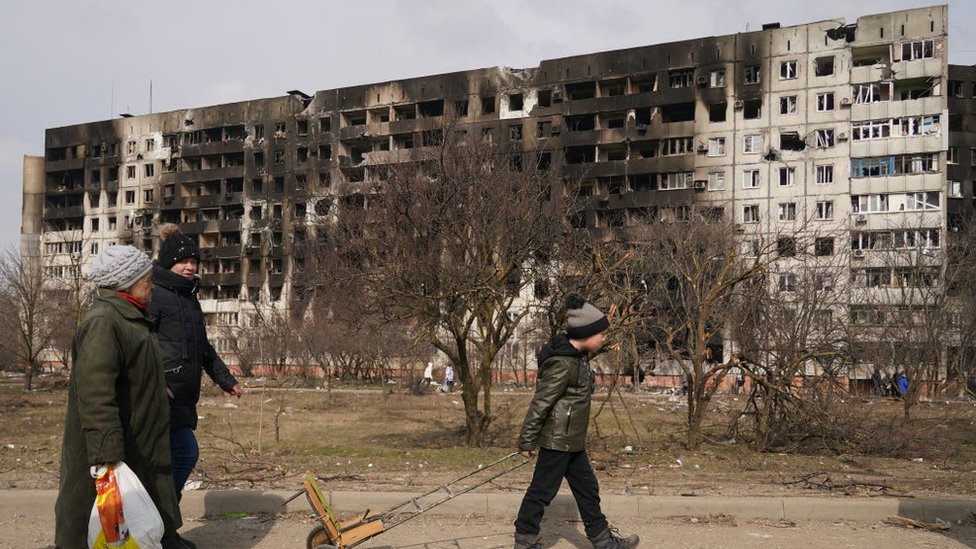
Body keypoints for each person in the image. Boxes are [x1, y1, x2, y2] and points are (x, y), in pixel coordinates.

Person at [55, 245, 190, 549]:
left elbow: (131, 369)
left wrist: (156, 386)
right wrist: (108, 455)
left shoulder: (130, 317)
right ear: (128, 282)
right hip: (114, 441)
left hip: (137, 436)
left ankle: (164, 538)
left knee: (139, 507)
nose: (152, 286)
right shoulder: (104, 321)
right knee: (97, 515)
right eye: (147, 280)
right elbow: (96, 392)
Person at [513, 295, 639, 549]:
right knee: (542, 491)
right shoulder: (563, 363)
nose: (603, 338)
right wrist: (527, 440)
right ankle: (525, 542)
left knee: (587, 489)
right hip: (558, 441)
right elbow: (541, 402)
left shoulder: (576, 357)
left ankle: (603, 541)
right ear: (586, 333)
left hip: (572, 441)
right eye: (600, 333)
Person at [148, 224, 242, 508]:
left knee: (177, 458)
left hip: (183, 397)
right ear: (168, 262)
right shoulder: (154, 295)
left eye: (194, 261)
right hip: (161, 396)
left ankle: (161, 520)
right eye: (183, 261)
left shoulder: (188, 298)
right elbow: (141, 344)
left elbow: (202, 346)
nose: (190, 267)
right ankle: (160, 517)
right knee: (183, 454)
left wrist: (226, 380)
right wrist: (155, 383)